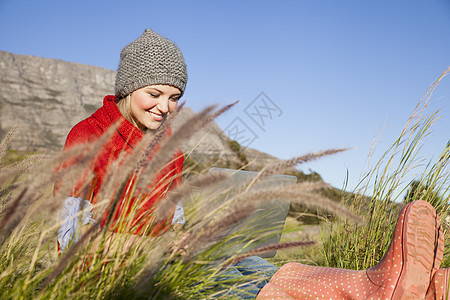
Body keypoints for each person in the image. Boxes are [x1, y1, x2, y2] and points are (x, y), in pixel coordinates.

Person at [57, 29, 450, 299]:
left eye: (175, 96)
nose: (165, 107)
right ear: (128, 89)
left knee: (249, 261)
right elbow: (65, 231)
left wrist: (186, 237)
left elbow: (172, 219)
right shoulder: (89, 136)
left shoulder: (170, 150)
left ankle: (374, 285)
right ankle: (381, 290)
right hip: (118, 265)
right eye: (154, 93)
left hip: (170, 253)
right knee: (227, 280)